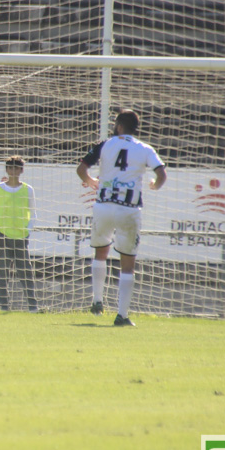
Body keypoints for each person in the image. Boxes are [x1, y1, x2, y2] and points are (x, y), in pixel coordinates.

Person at [76, 109, 167, 327]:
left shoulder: (105, 144)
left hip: (104, 206)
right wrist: (155, 185)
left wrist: (91, 181)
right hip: (129, 208)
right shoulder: (145, 148)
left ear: (118, 127)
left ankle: (97, 301)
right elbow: (162, 174)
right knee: (127, 265)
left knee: (100, 252)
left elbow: (81, 169)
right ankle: (122, 315)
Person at [0, 155, 40, 313]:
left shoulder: (28, 189)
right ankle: (4, 307)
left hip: (20, 237)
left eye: (16, 168)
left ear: (21, 170)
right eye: (10, 168)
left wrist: (27, 232)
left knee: (25, 272)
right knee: (2, 273)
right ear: (6, 169)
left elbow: (33, 214)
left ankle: (33, 306)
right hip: (2, 237)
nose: (13, 171)